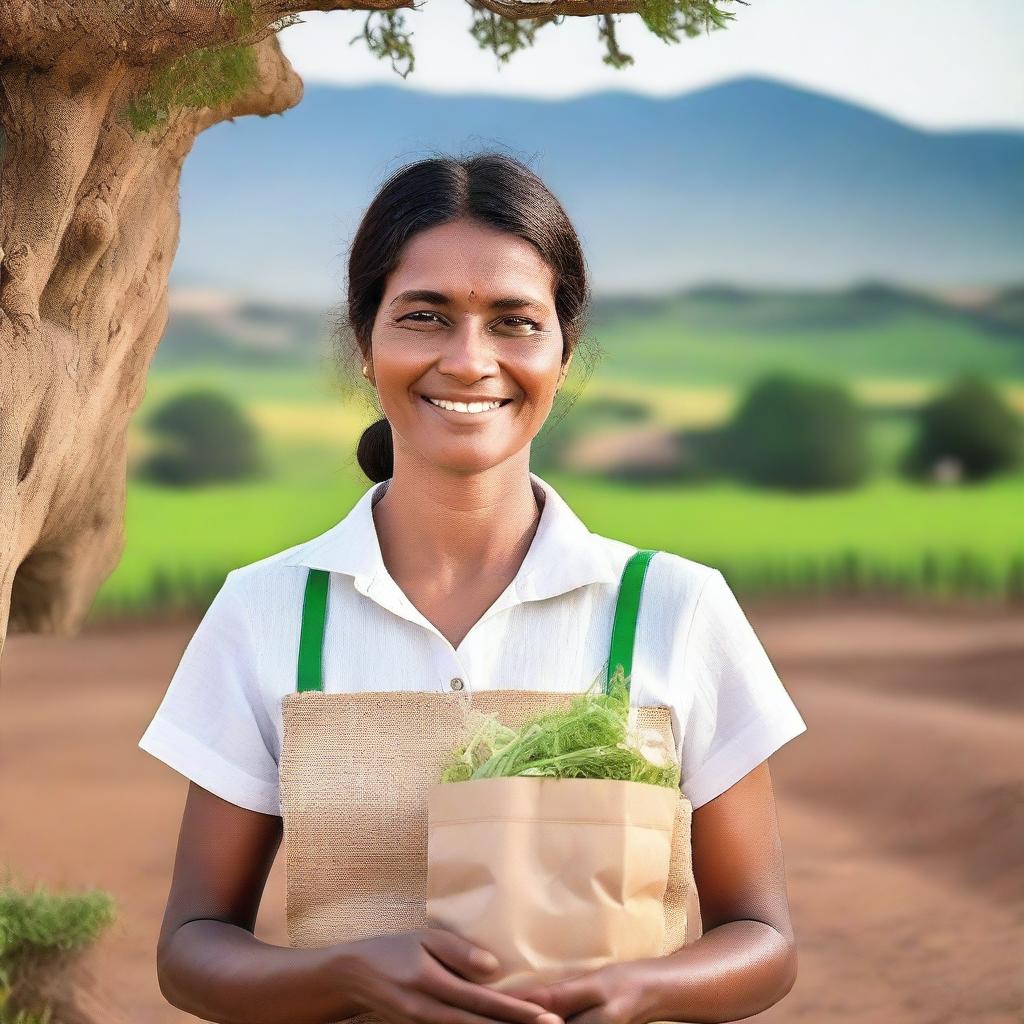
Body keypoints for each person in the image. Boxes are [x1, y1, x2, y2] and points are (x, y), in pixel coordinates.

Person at [138, 152, 808, 1024]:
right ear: (363, 343)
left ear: (563, 353)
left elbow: (764, 938)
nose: (468, 359)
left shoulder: (673, 607)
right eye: (425, 316)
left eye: (513, 322)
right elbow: (191, 946)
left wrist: (632, 987)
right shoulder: (269, 609)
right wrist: (346, 973)